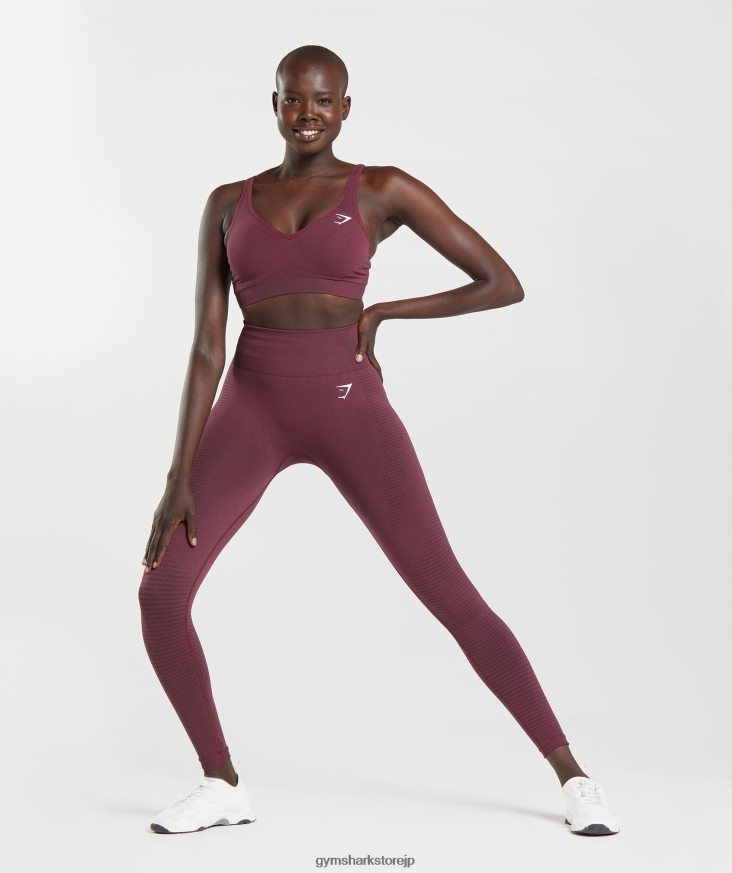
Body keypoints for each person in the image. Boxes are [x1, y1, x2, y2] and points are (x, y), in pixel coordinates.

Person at [138, 44, 620, 837]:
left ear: (346, 108)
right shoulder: (227, 203)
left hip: (348, 404)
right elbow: (205, 347)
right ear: (274, 104)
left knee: (448, 591)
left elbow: (500, 281)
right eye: (294, 99)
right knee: (161, 591)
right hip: (250, 407)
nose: (308, 113)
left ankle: (573, 773)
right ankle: (220, 782)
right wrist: (177, 476)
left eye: (323, 100)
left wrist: (385, 311)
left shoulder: (382, 189)